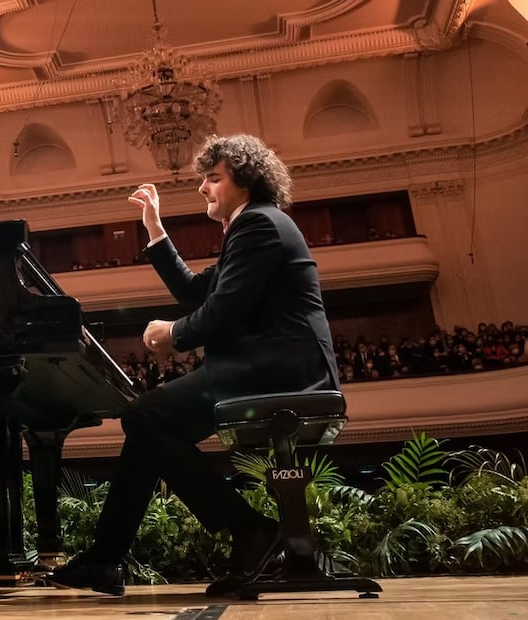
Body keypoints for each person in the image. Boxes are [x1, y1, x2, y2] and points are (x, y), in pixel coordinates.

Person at [50, 134, 339, 597]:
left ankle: (248, 529)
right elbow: (193, 292)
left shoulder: (259, 225)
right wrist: (154, 228)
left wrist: (173, 333)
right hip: (265, 366)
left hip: (278, 368)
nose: (203, 187)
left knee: (143, 418)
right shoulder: (253, 227)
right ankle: (105, 559)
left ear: (246, 181)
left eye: (213, 178)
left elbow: (221, 313)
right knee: (147, 427)